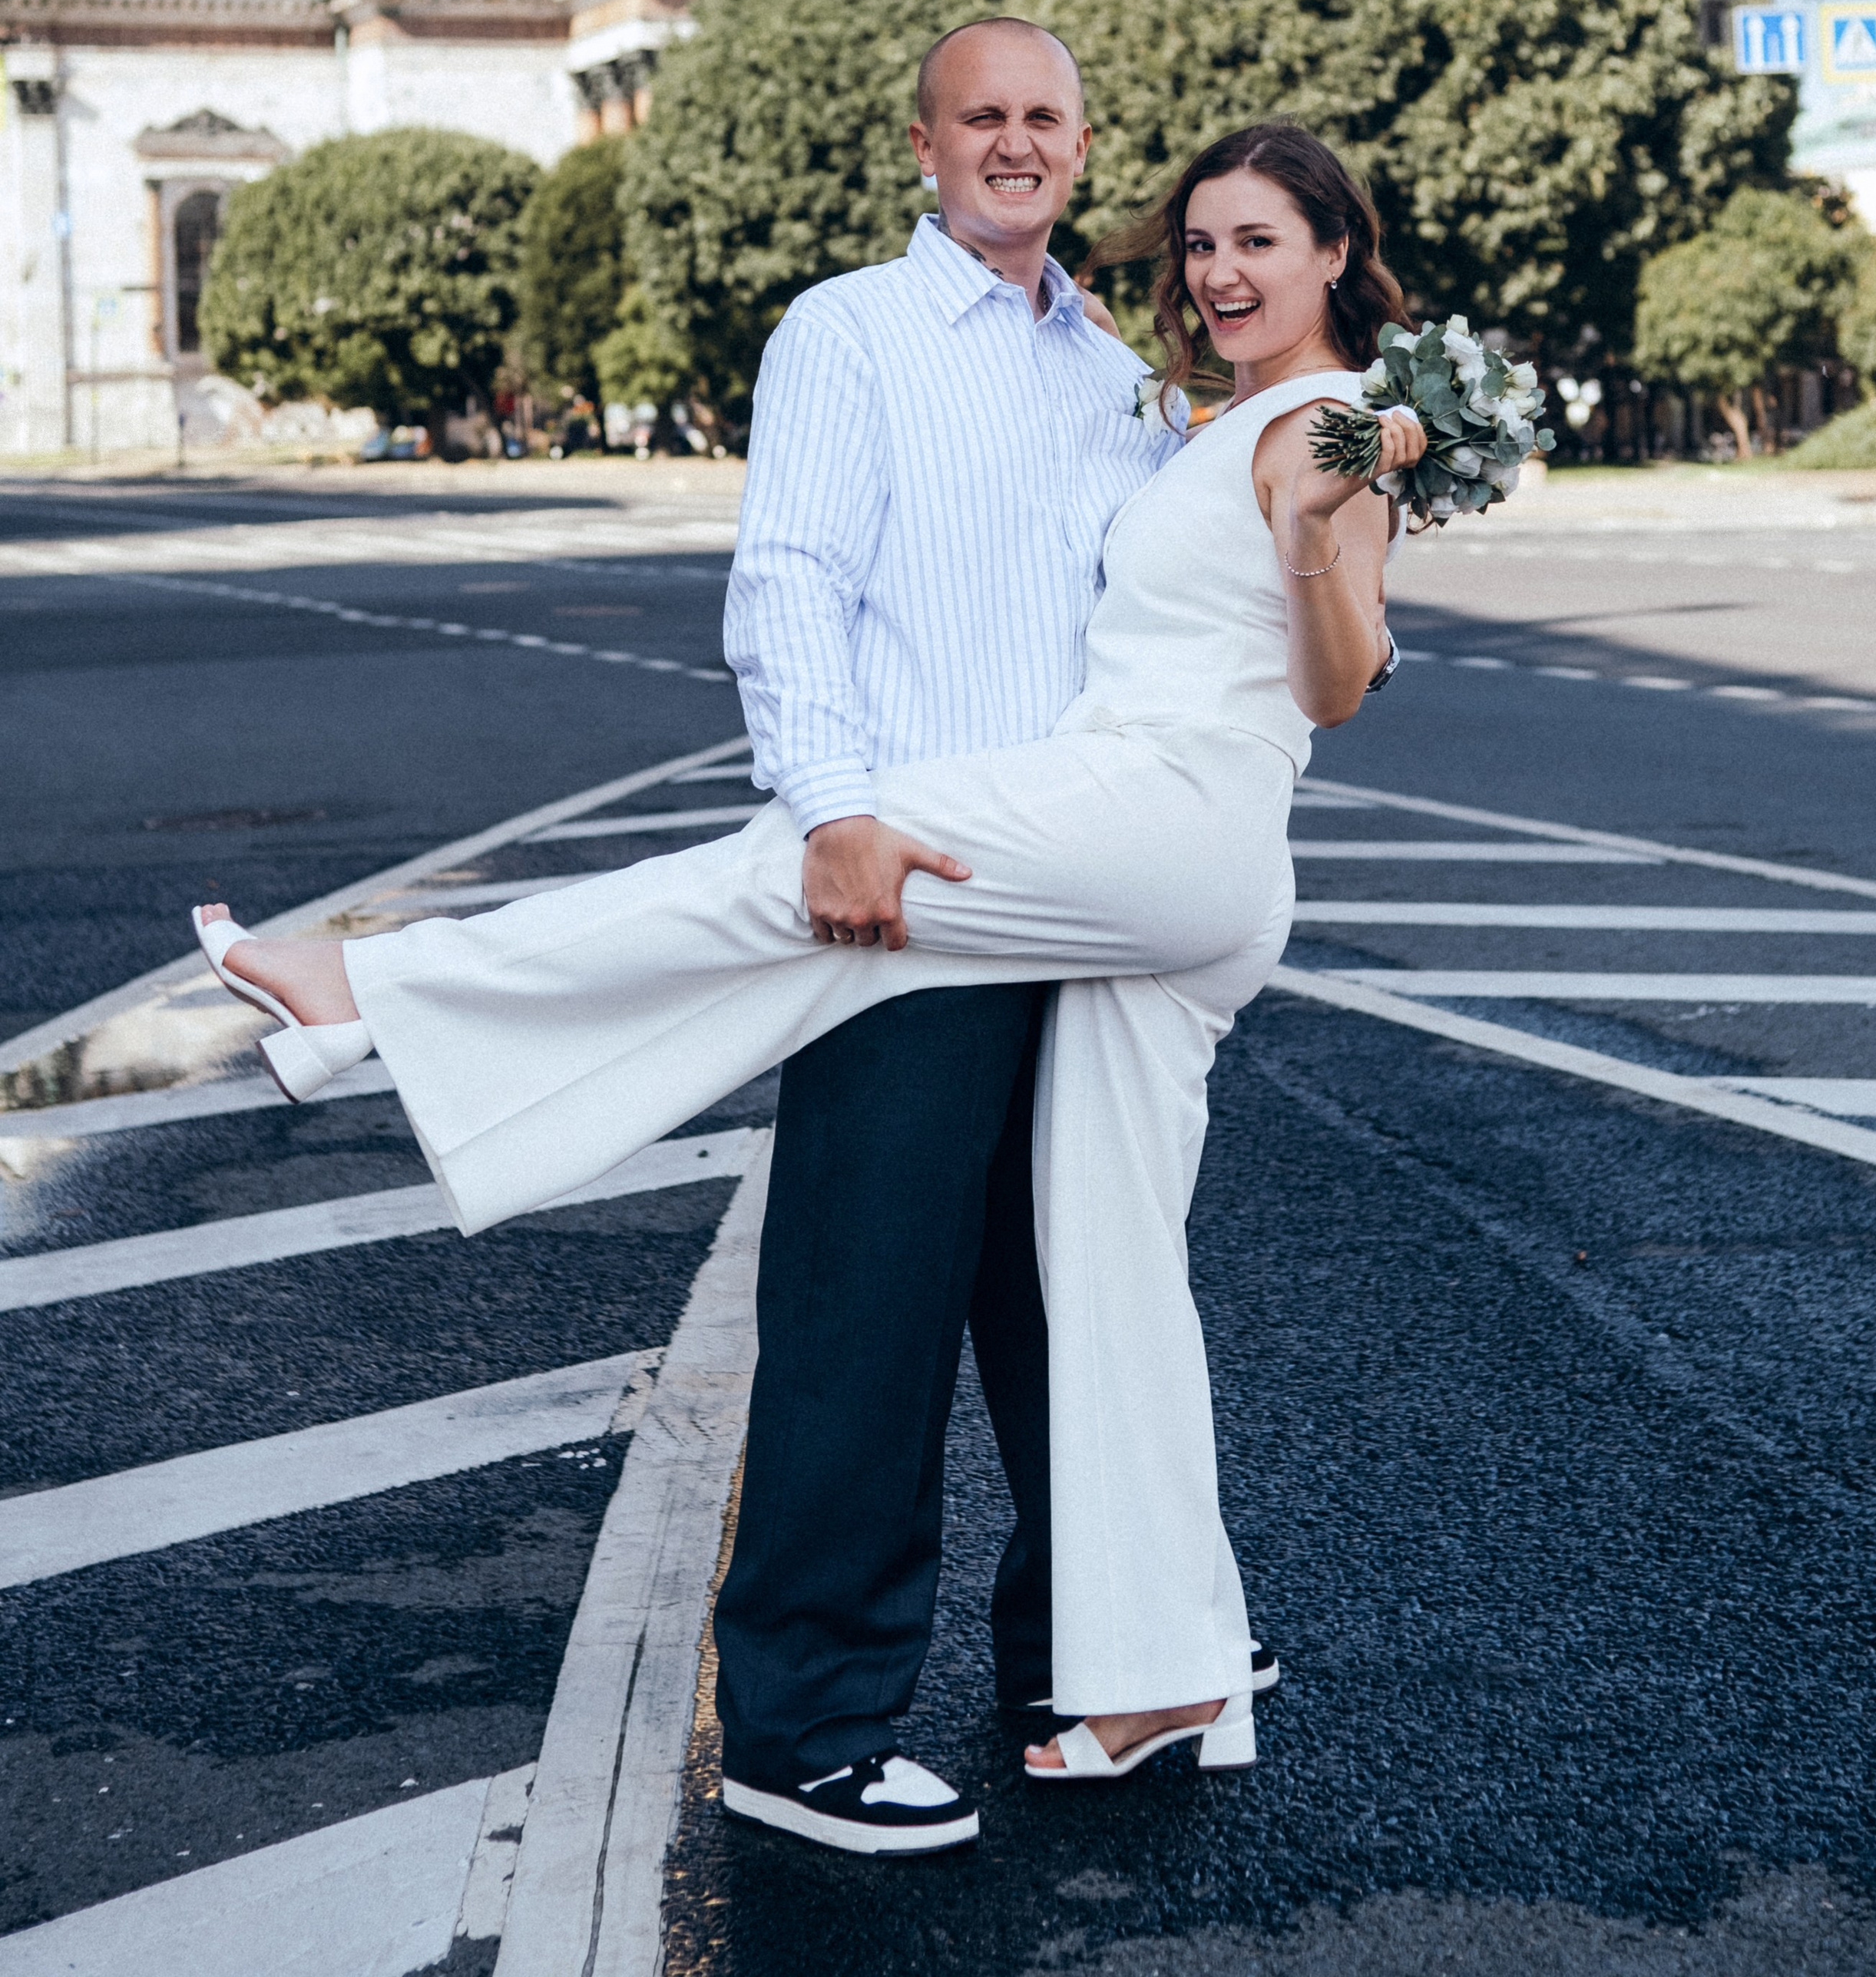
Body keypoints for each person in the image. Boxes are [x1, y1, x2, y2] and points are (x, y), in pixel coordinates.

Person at [192, 98, 1421, 1847]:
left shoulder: (1325, 429)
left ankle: (374, 993)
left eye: (1260, 242)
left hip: (1154, 827)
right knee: (1098, 1272)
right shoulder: (1118, 390)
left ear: (1329, 257)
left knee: (840, 852)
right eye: (1204, 240)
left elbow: (1335, 679)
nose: (1221, 269)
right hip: (1115, 846)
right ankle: (1154, 1664)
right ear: (924, 146)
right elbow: (829, 567)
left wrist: (1321, 522)